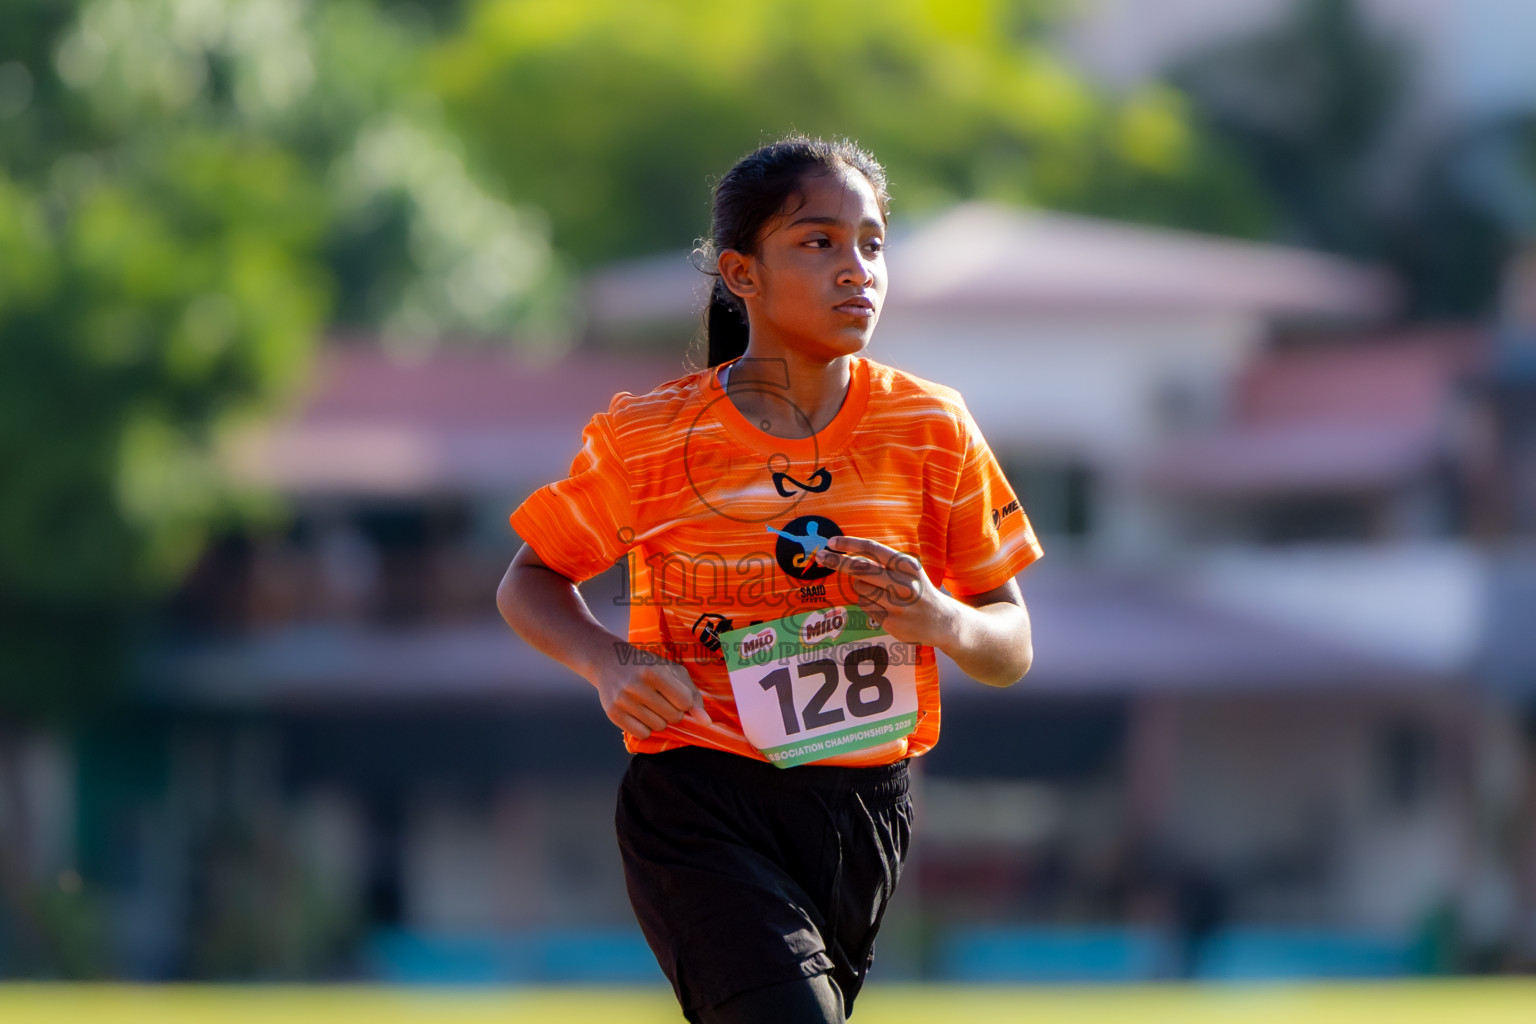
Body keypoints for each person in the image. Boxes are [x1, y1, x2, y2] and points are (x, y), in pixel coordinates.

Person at [496, 136, 1042, 1023]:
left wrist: (939, 617)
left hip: (864, 813)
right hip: (698, 799)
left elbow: (1009, 645)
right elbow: (530, 581)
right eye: (817, 243)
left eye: (871, 243)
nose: (856, 269)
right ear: (739, 274)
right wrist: (609, 664)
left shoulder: (930, 427)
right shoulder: (652, 437)